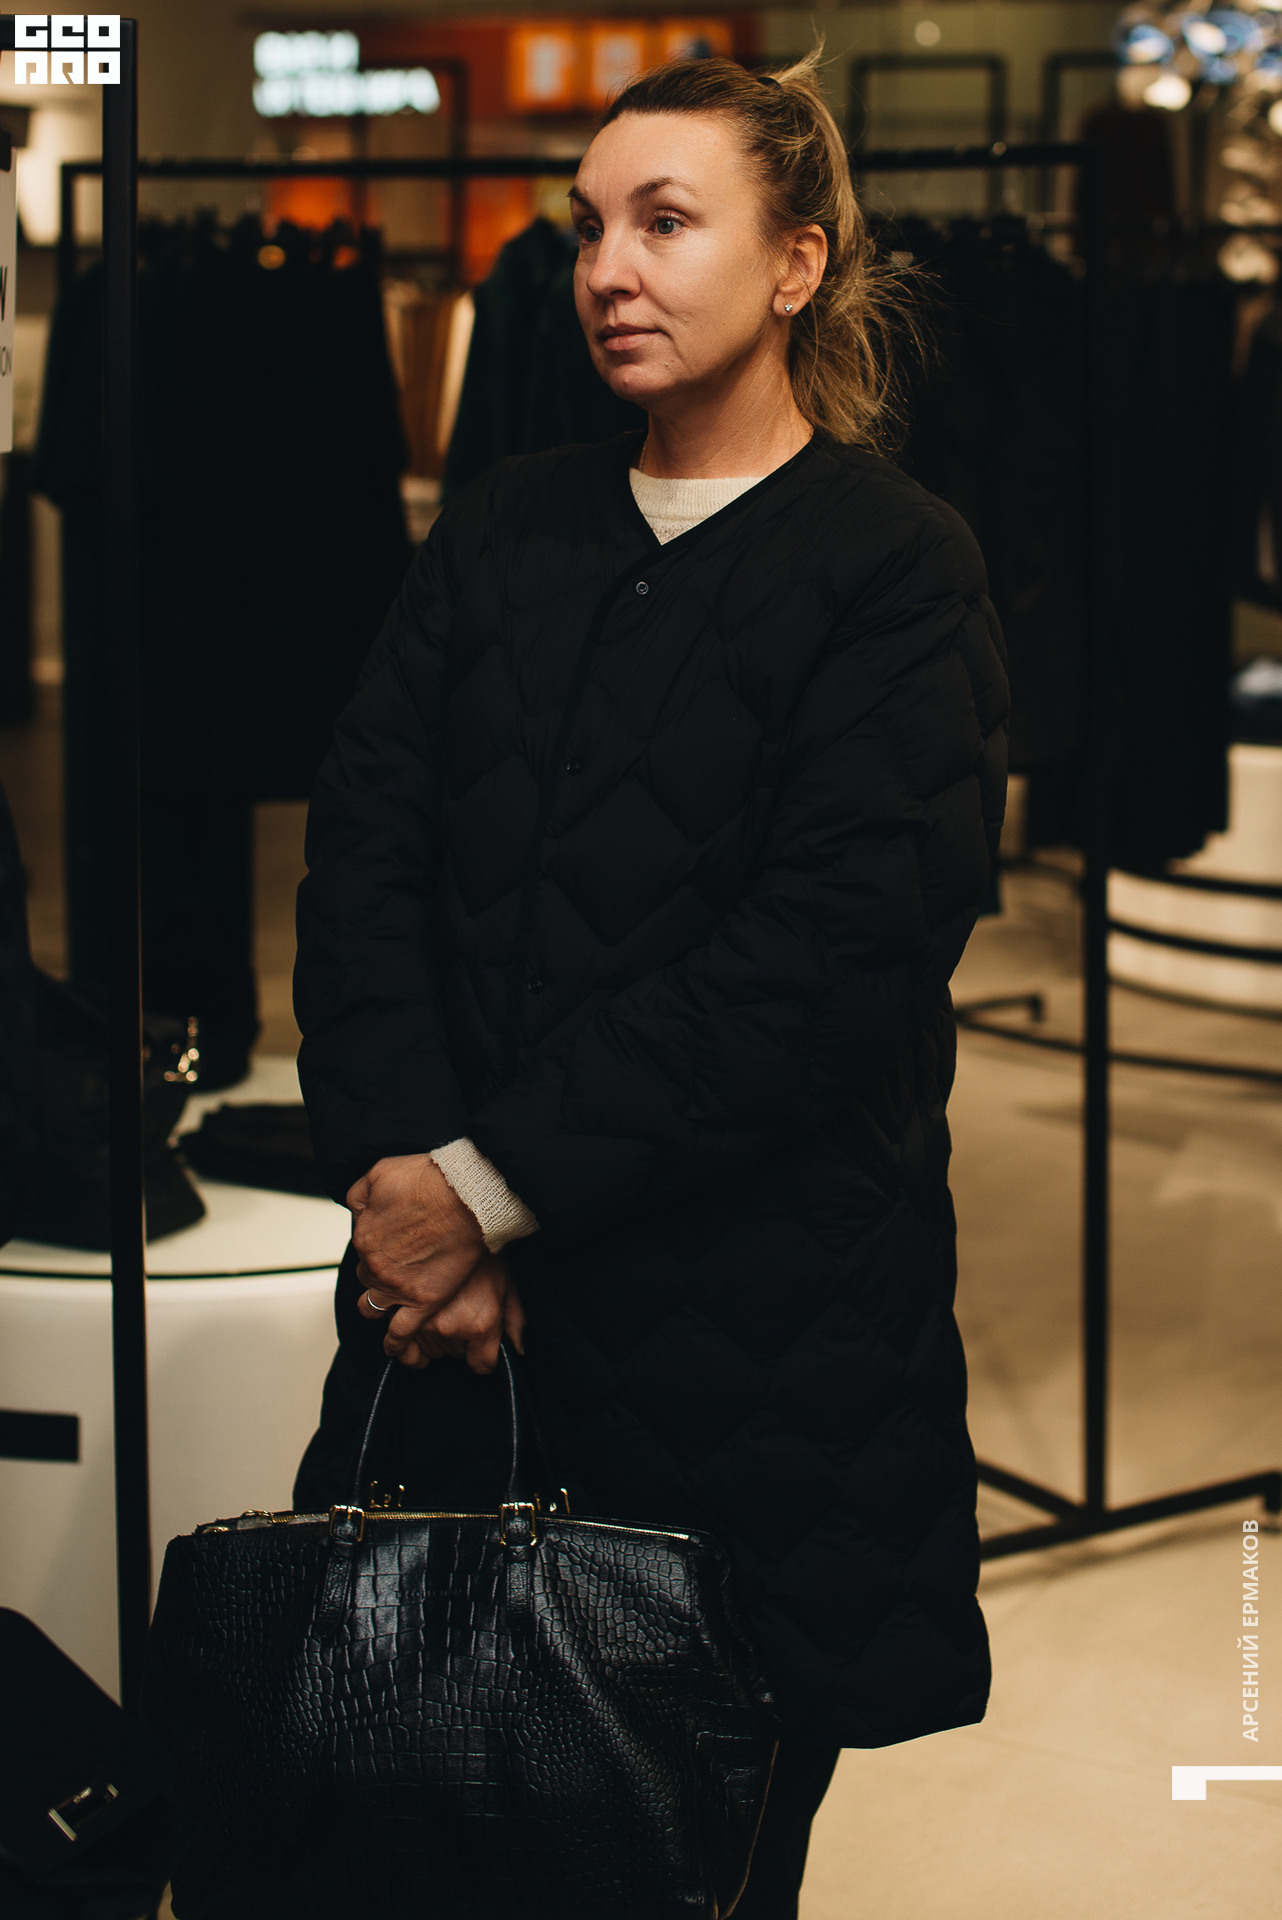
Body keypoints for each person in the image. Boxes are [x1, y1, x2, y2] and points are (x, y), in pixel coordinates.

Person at [293, 50, 1007, 1917]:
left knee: (693, 1859)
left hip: (755, 1354)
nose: (607, 267)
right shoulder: (504, 528)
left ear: (796, 264)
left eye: (665, 222)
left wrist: (479, 1190)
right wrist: (407, 1189)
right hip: (459, 1338)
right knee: (410, 1831)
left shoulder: (892, 569)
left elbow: (822, 964)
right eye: (589, 226)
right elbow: (363, 860)